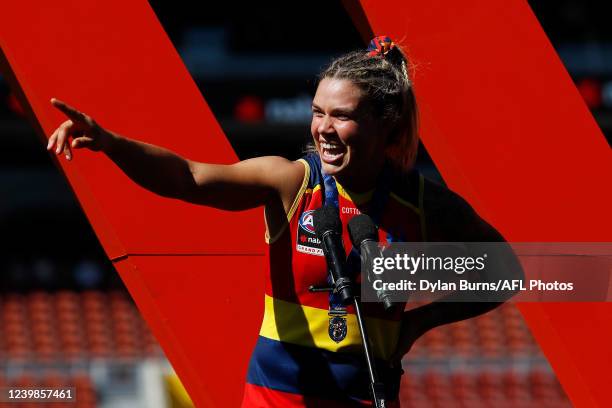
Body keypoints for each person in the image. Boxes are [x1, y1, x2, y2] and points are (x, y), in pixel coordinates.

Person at [48, 36, 519, 407]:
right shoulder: (291, 182)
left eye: (342, 115)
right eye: (318, 113)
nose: (323, 129)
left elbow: (505, 272)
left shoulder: (421, 204)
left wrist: (420, 323)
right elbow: (189, 177)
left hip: (368, 397)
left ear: (386, 123)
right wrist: (110, 143)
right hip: (277, 399)